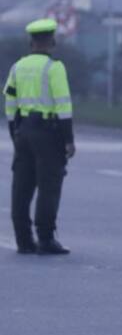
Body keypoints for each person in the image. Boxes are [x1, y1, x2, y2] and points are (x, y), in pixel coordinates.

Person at [6, 18, 74, 255]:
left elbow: (10, 102)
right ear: (52, 41)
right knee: (49, 185)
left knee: (22, 186)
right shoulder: (54, 68)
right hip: (48, 132)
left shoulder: (17, 67)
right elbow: (63, 106)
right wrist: (68, 140)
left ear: (31, 41)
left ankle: (23, 240)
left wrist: (14, 132)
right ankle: (45, 238)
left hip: (23, 130)